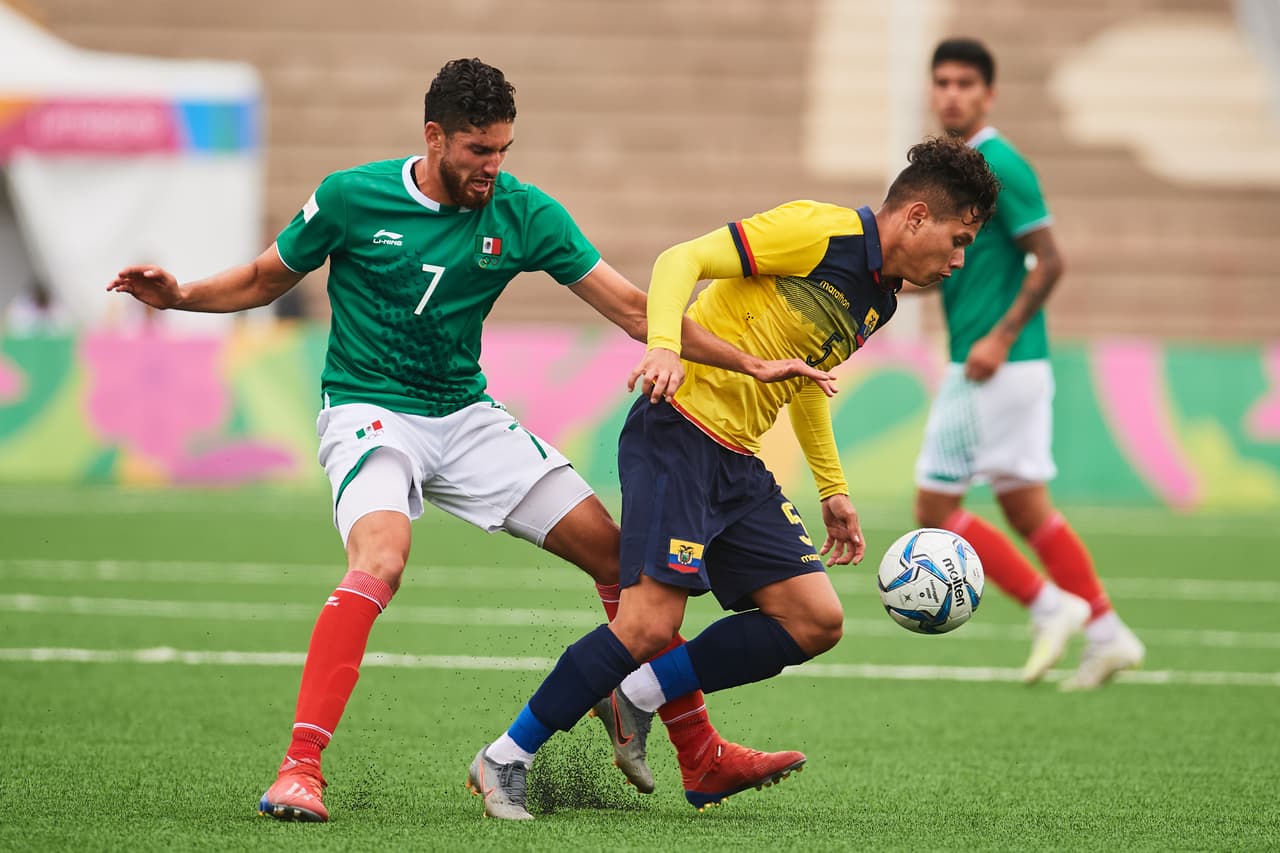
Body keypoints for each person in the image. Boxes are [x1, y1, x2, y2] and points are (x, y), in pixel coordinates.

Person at [107, 57, 835, 824]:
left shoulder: (523, 213)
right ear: (434, 137)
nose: (492, 168)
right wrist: (182, 295)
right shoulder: (351, 196)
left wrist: (746, 359)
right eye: (478, 151)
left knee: (624, 560)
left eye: (503, 151)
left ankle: (697, 750)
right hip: (369, 410)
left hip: (465, 415)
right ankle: (300, 768)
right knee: (381, 558)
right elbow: (265, 278)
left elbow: (629, 306)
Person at [469, 136, 1001, 820]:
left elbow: (809, 379)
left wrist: (833, 487)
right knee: (648, 622)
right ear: (918, 216)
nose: (959, 261)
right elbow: (679, 259)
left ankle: (638, 694)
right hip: (679, 431)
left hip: (739, 462)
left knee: (816, 618)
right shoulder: (820, 231)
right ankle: (505, 756)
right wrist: (664, 347)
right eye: (958, 240)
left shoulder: (882, 298)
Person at [914, 38, 1145, 690]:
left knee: (933, 509)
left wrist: (1000, 336)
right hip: (1008, 365)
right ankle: (1107, 632)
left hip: (992, 363)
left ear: (988, 94)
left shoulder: (999, 164)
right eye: (942, 82)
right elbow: (960, 266)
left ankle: (1051, 606)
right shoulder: (964, 170)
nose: (952, 93)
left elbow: (1051, 257)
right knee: (1025, 507)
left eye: (965, 83)